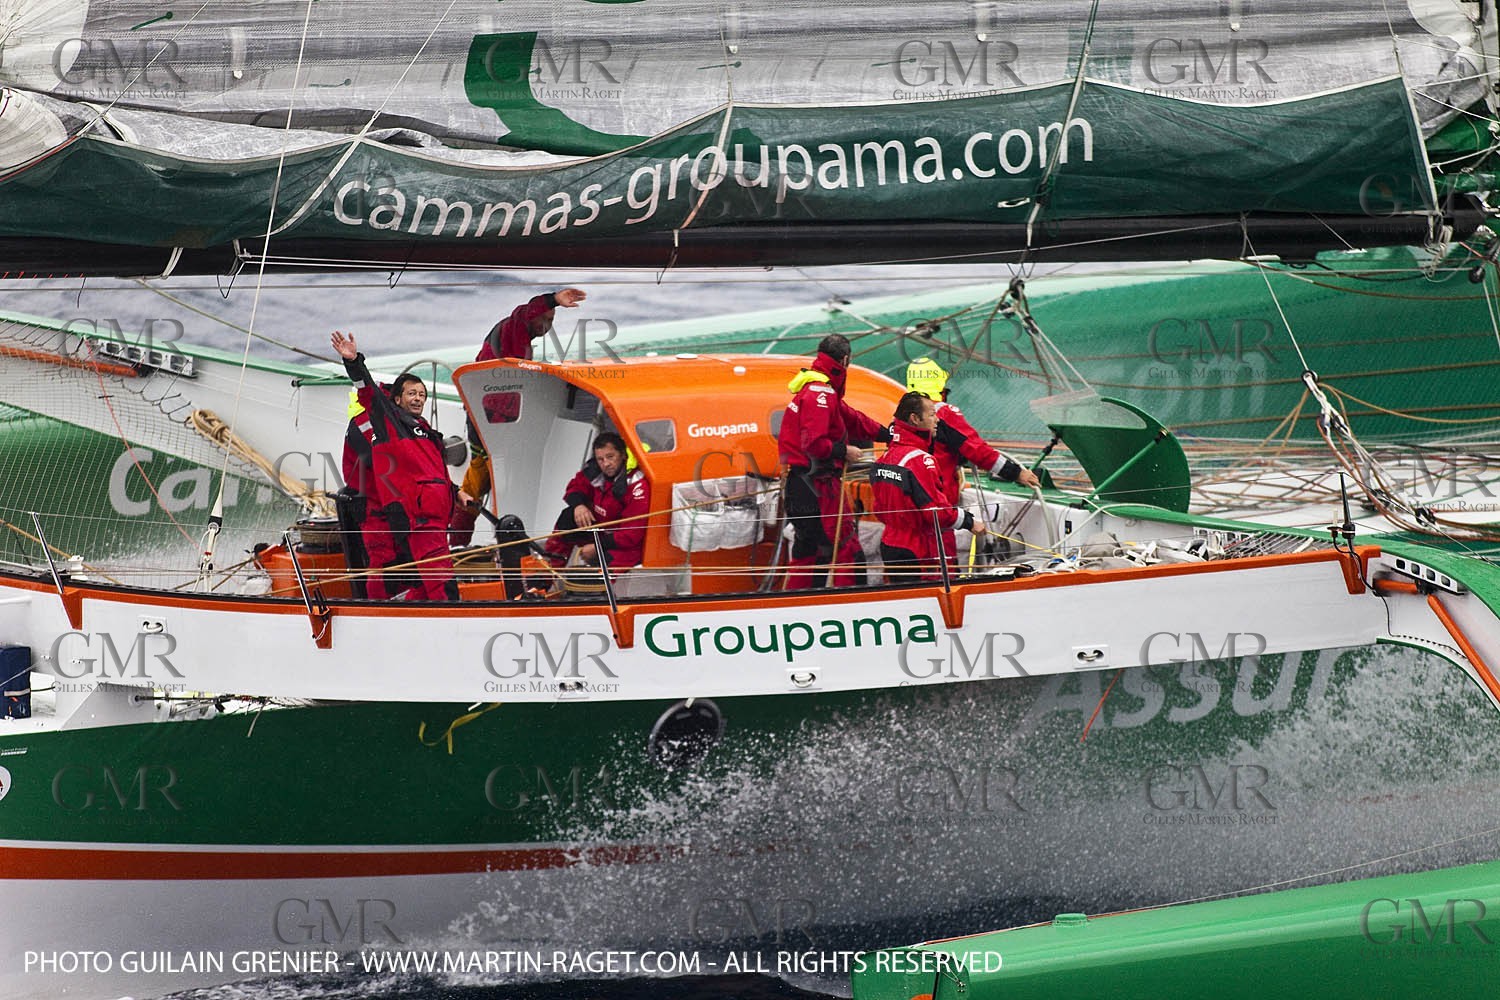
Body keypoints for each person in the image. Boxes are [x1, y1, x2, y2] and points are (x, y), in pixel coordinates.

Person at [332, 330, 466, 601]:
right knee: (407, 572)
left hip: (428, 515)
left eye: (422, 394)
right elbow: (367, 391)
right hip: (404, 513)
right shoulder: (387, 422)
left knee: (417, 576)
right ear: (396, 399)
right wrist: (353, 361)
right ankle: (378, 614)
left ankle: (407, 611)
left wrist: (455, 491)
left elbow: (426, 470)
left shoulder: (425, 432)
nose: (418, 398)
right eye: (412, 393)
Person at [452, 287, 588, 546]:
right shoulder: (513, 330)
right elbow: (523, 313)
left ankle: (498, 543)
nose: (547, 326)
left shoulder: (521, 343)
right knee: (480, 482)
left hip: (504, 424)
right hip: (487, 423)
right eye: (544, 319)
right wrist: (553, 300)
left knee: (500, 484)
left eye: (551, 321)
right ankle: (457, 544)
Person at [777, 334, 889, 589]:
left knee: (810, 549)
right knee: (844, 546)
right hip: (817, 485)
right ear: (845, 359)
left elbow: (853, 419)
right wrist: (844, 451)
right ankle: (853, 601)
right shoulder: (822, 394)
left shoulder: (816, 387)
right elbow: (814, 443)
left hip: (800, 484)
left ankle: (799, 603)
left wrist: (889, 434)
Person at [905, 356, 1040, 557]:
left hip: (909, 518)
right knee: (941, 578)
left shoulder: (904, 416)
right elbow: (978, 451)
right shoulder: (944, 413)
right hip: (938, 518)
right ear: (940, 387)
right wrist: (1017, 473)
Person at [872, 392, 986, 580]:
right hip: (918, 550)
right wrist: (970, 521)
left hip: (889, 544)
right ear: (915, 419)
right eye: (932, 414)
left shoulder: (885, 458)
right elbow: (936, 511)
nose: (938, 420)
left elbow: (879, 508)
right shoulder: (921, 460)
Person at [544, 432, 650, 571]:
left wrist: (598, 546)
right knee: (567, 518)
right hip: (600, 530)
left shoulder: (637, 487)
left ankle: (598, 589)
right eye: (600, 459)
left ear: (623, 455)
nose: (606, 463)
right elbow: (575, 486)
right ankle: (548, 574)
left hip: (624, 544)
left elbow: (631, 535)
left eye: (610, 457)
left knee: (606, 565)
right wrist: (579, 505)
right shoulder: (595, 472)